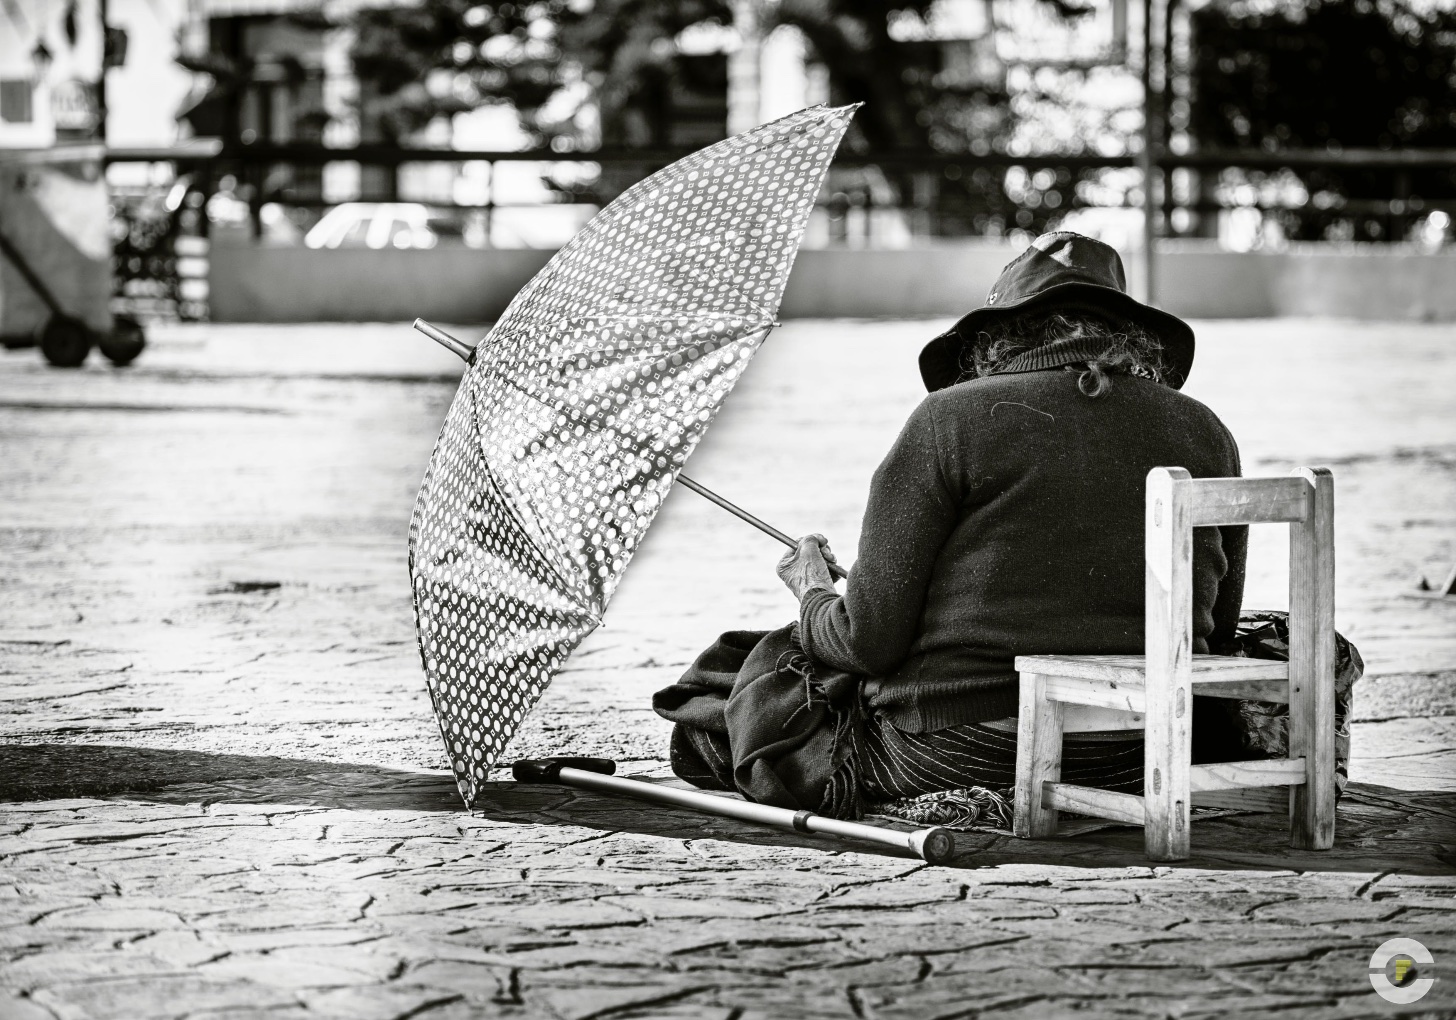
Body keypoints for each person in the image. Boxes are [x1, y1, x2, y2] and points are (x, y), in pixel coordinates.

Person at [653, 231, 1248, 820]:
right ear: (1133, 335)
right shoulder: (1205, 432)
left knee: (743, 679)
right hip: (1146, 751)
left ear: (996, 337)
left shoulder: (948, 421)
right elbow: (1217, 633)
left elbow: (867, 641)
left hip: (964, 749)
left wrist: (813, 592)